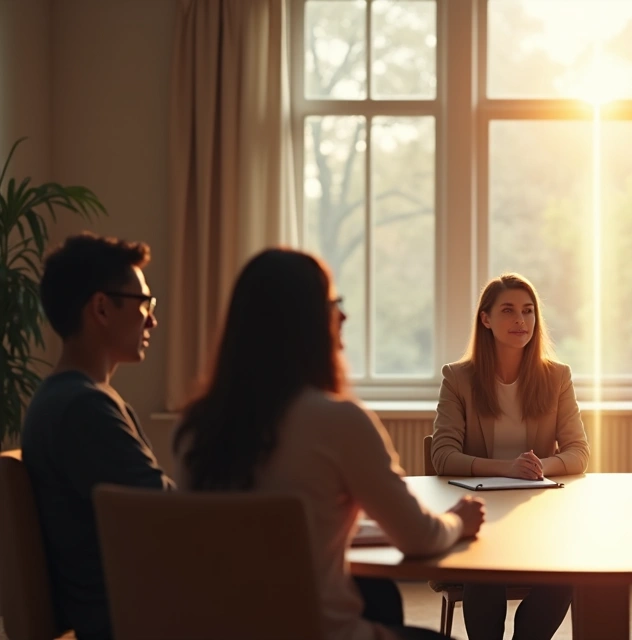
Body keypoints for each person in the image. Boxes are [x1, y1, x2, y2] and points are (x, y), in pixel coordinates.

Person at [172, 248, 483, 640]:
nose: (344, 316)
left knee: (379, 598)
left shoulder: (194, 429)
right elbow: (419, 538)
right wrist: (459, 520)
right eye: (333, 302)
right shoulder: (338, 420)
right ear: (306, 323)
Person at [21, 232, 173, 640]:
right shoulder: (83, 408)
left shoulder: (66, 399)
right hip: (136, 622)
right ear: (102, 308)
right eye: (145, 304)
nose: (152, 319)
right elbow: (169, 520)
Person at [431, 273, 588, 640]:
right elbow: (442, 455)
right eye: (508, 310)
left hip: (536, 519)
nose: (521, 320)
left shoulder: (556, 377)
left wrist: (538, 467)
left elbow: (579, 452)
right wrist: (508, 468)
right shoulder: (458, 378)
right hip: (478, 519)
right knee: (484, 572)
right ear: (485, 319)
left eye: (528, 311)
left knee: (567, 575)